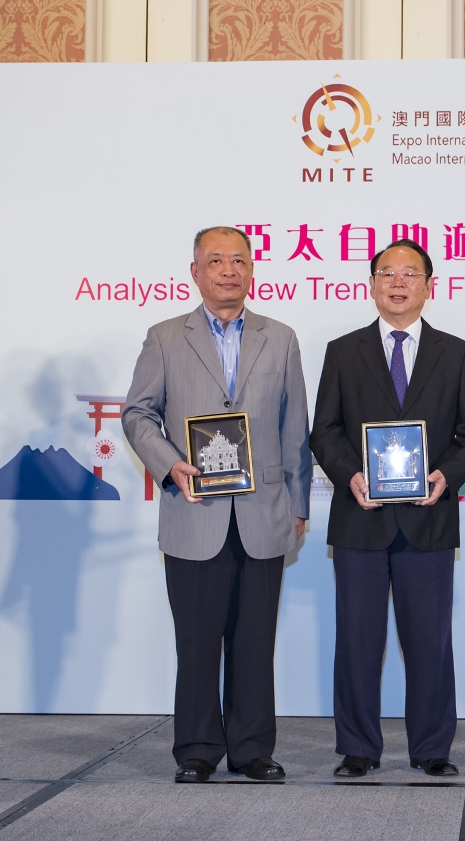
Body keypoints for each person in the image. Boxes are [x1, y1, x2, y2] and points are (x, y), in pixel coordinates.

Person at [122, 226, 311, 784]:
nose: (229, 270)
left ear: (253, 270)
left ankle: (252, 749)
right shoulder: (163, 337)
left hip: (263, 513)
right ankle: (198, 749)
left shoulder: (280, 337)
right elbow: (137, 414)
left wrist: (298, 502)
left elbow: (294, 425)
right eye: (216, 260)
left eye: (239, 260)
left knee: (255, 641)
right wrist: (168, 463)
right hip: (194, 512)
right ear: (196, 271)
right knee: (198, 641)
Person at [310, 238, 465, 778]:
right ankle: (358, 747)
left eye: (411, 273)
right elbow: (325, 432)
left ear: (430, 285)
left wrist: (445, 476)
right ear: (372, 283)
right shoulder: (343, 350)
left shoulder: (456, 353)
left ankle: (432, 748)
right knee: (358, 640)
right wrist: (350, 475)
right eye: (387, 272)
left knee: (430, 640)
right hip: (360, 517)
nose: (399, 282)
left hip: (428, 517)